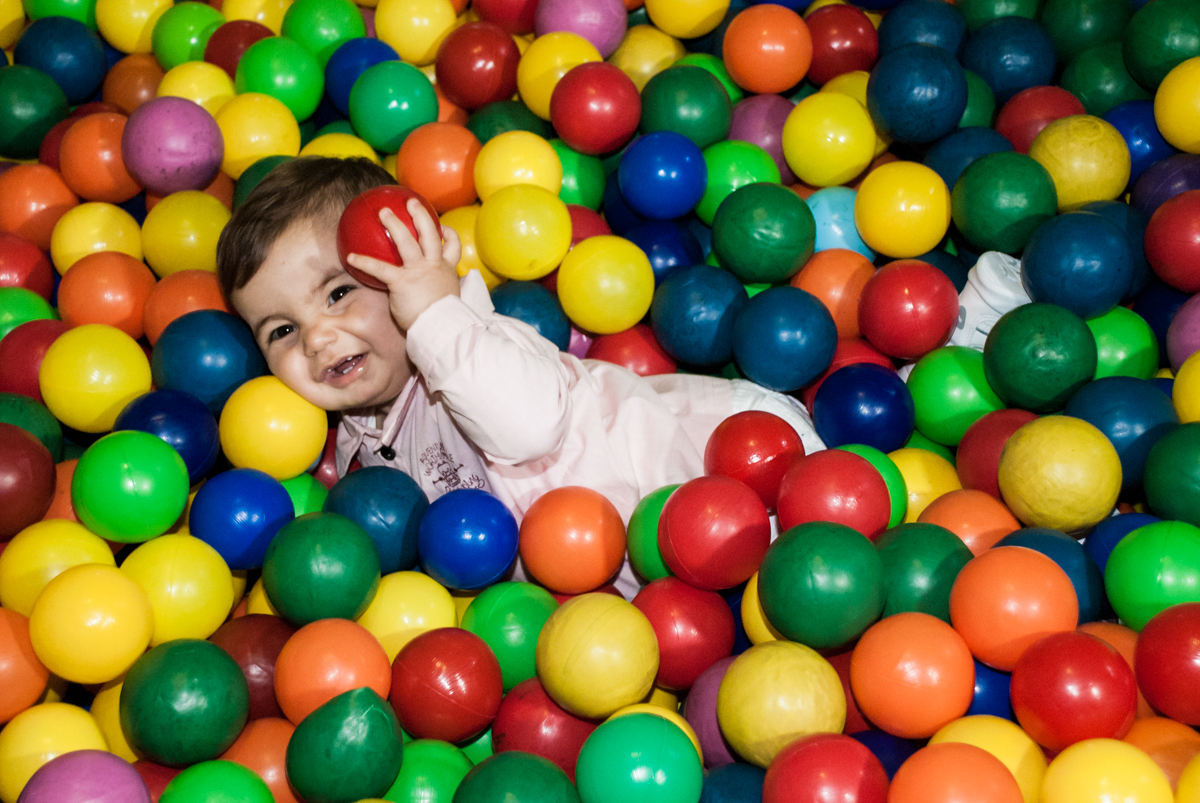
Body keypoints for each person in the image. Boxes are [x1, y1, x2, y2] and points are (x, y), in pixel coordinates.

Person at [217, 156, 824, 594]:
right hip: (629, 586)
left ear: (412, 270)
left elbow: (526, 429)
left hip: (732, 465)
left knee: (798, 575)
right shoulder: (349, 444)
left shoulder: (475, 342)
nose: (318, 337)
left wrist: (432, 311)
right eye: (281, 331)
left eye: (339, 293)